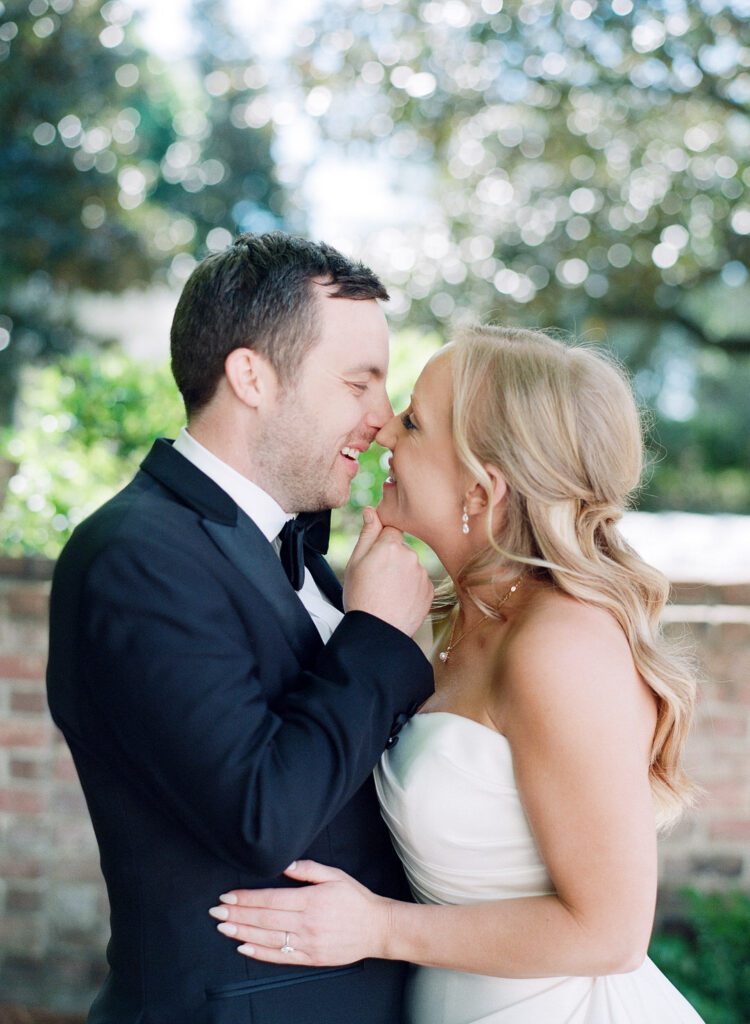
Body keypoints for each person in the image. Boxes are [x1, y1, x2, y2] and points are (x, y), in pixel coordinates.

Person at [211, 324, 705, 1023]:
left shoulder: (560, 643)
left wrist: (378, 928)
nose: (384, 434)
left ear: (481, 486)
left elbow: (612, 933)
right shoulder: (448, 616)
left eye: (413, 422)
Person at [46, 232, 435, 1024]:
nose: (383, 419)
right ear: (251, 376)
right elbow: (261, 813)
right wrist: (378, 638)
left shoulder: (301, 559)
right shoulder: (136, 555)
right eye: (359, 383)